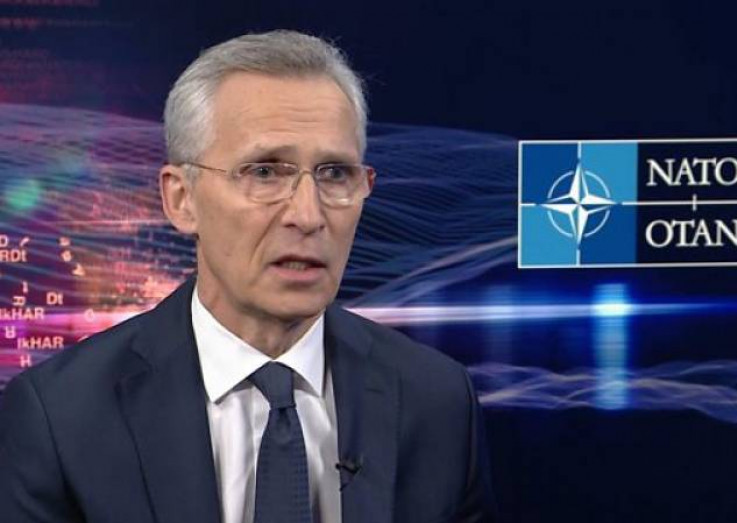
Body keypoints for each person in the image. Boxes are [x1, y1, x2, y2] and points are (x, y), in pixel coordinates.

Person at [0, 30, 497, 523]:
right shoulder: (60, 417)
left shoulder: (438, 401)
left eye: (334, 174)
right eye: (264, 172)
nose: (308, 215)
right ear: (181, 199)